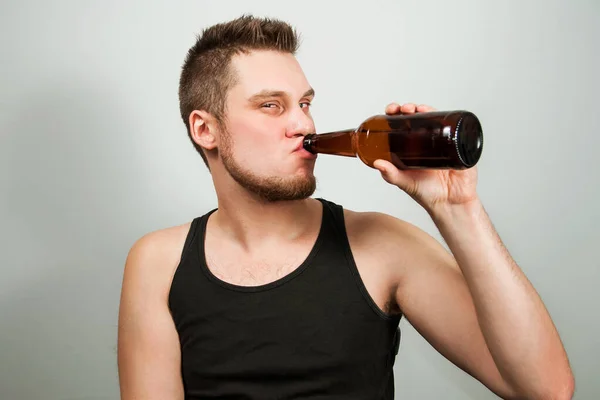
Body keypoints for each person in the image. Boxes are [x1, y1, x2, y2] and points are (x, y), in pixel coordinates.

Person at [117, 14, 574, 400]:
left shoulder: (382, 245)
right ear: (205, 130)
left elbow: (546, 389)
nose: (303, 123)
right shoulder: (159, 262)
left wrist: (460, 208)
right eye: (271, 106)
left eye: (305, 103)